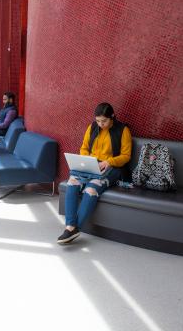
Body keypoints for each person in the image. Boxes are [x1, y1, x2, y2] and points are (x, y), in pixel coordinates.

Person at [57, 102, 132, 244]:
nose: (101, 124)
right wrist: (87, 159)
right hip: (91, 165)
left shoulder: (123, 130)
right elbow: (84, 148)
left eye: (104, 121)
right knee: (72, 183)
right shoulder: (92, 127)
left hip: (112, 167)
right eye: (98, 121)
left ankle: (73, 228)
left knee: (91, 190)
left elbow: (126, 156)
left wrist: (108, 162)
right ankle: (70, 226)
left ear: (112, 117)